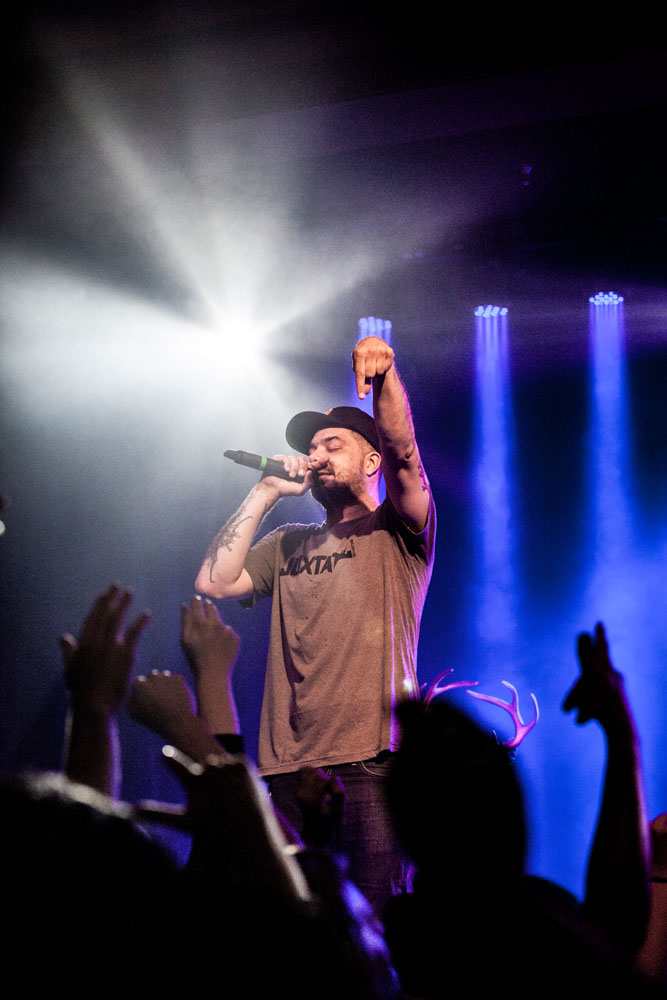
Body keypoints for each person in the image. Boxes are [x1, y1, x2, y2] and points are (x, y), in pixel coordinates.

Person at [194, 333, 436, 917]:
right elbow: (214, 582)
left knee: (370, 935)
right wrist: (265, 490)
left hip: (371, 771)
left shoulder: (399, 530)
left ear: (369, 459)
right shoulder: (287, 544)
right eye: (312, 446)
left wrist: (384, 376)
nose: (318, 453)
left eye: (333, 442)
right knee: (292, 939)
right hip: (287, 771)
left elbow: (404, 452)